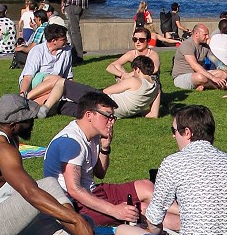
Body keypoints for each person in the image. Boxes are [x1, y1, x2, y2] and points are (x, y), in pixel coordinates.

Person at [0, 92, 139, 235]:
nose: (33, 122)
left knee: (86, 223)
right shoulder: (0, 148)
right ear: (14, 125)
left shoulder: (8, 138)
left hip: (6, 217)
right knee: (51, 188)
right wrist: (74, 218)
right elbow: (30, 192)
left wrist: (76, 220)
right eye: (29, 119)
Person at [115, 104, 227, 235]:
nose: (173, 135)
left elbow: (154, 219)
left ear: (187, 132)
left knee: (122, 231)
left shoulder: (174, 163)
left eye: (174, 130)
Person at [49, 96, 154, 225]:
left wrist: (104, 147)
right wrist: (115, 210)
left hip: (92, 191)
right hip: (75, 205)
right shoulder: (71, 143)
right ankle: (184, 224)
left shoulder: (93, 134)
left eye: (113, 117)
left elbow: (100, 173)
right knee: (139, 209)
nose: (112, 122)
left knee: (147, 186)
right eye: (107, 116)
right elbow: (74, 190)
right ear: (89, 115)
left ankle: (185, 211)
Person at [18, 24, 74, 118]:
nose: (66, 42)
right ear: (54, 41)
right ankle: (23, 99)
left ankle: (30, 108)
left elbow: (68, 75)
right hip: (34, 82)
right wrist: (22, 92)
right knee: (57, 79)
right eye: (63, 39)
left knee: (55, 98)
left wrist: (71, 91)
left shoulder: (67, 51)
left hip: (54, 85)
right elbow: (28, 75)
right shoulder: (38, 50)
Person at [106, 27, 161, 116]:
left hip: (149, 83)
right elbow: (110, 67)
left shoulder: (152, 55)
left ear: (148, 40)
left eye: (141, 40)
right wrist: (123, 74)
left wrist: (129, 75)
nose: (137, 42)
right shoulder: (131, 54)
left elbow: (154, 69)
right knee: (117, 66)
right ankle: (125, 95)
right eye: (135, 39)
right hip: (135, 81)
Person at [170, 25, 227, 92]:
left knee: (223, 74)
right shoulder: (187, 45)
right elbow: (195, 66)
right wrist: (213, 78)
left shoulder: (205, 46)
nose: (208, 37)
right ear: (197, 34)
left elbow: (216, 61)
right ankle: (219, 86)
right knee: (200, 77)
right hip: (182, 76)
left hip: (199, 73)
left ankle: (203, 85)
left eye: (208, 34)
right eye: (205, 35)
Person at [104, 55, 160, 119]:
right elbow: (153, 115)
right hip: (123, 113)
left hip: (108, 105)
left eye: (134, 70)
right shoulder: (157, 88)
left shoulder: (134, 81)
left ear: (138, 69)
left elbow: (104, 92)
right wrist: (137, 112)